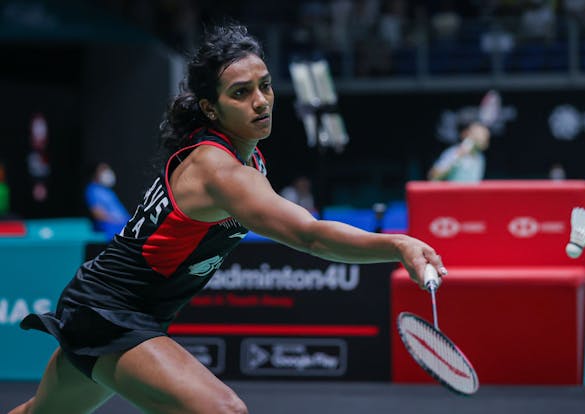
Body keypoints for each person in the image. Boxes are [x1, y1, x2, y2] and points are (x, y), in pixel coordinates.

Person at [10, 23, 446, 414]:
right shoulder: (220, 171)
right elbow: (310, 236)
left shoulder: (245, 156)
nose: (261, 102)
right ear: (211, 108)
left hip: (108, 304)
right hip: (109, 311)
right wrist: (397, 244)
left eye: (265, 86)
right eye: (241, 92)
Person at [85, 162, 131, 241]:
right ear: (95, 174)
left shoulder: (108, 191)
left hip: (122, 223)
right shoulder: (93, 190)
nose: (107, 172)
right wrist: (116, 221)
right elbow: (97, 213)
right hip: (111, 227)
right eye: (103, 170)